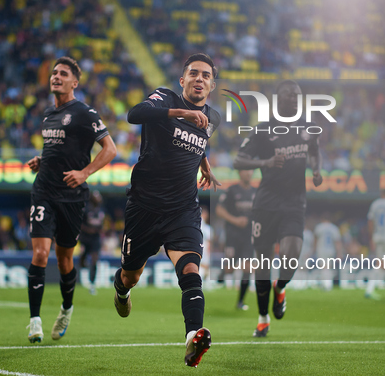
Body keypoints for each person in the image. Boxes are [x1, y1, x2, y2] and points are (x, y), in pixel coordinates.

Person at [112, 53, 221, 367]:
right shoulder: (165, 97)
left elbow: (200, 140)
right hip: (144, 207)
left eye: (205, 76)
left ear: (212, 85)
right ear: (182, 80)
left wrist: (204, 163)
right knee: (130, 276)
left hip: (182, 208)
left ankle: (192, 338)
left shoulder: (213, 118)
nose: (199, 79)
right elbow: (136, 114)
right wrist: (180, 114)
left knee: (190, 270)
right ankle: (121, 290)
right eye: (193, 74)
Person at [26, 56, 117, 343]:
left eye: (63, 73)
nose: (56, 76)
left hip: (73, 198)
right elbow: (59, 147)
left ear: (74, 82)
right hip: (44, 191)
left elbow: (110, 149)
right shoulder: (48, 114)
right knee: (40, 254)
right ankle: (35, 320)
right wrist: (43, 160)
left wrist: (85, 172)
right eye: (54, 72)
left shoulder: (84, 113)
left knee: (65, 261)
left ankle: (66, 308)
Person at [233, 80, 324, 338]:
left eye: (297, 95)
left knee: (291, 254)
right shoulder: (263, 130)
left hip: (295, 202)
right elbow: (238, 161)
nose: (294, 99)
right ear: (277, 99)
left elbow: (315, 150)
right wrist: (266, 161)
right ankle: (263, 318)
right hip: (266, 204)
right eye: (289, 95)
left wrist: (316, 169)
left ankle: (281, 286)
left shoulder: (308, 127)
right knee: (262, 263)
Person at [215, 169, 256, 309]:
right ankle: (222, 273)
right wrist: (235, 220)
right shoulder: (232, 190)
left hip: (249, 236)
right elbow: (219, 210)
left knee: (248, 267)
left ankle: (240, 302)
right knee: (230, 268)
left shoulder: (256, 193)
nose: (248, 173)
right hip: (233, 235)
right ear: (240, 173)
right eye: (246, 171)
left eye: (250, 171)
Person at [79, 190, 106, 295]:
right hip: (86, 238)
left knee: (94, 260)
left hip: (95, 238)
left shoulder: (101, 210)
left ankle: (92, 284)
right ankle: (82, 264)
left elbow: (102, 224)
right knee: (83, 258)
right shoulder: (86, 210)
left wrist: (101, 229)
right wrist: (88, 230)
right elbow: (80, 224)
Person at [312, 213, 342, 291]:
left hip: (321, 249)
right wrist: (339, 253)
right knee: (329, 267)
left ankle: (326, 284)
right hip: (331, 250)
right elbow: (337, 242)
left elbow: (315, 240)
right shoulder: (334, 228)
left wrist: (314, 249)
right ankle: (327, 284)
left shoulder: (319, 227)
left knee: (323, 267)